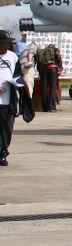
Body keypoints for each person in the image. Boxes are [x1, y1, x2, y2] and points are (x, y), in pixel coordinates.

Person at [0, 29, 21, 166]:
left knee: (7, 128)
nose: (6, 45)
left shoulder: (13, 56)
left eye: (8, 43)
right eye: (3, 43)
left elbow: (18, 74)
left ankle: (2, 153)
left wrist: (17, 83)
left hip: (8, 100)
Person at [36, 40, 61, 112]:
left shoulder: (41, 51)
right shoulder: (55, 49)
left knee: (44, 88)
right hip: (53, 69)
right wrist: (60, 68)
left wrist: (40, 71)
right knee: (53, 88)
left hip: (43, 70)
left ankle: (45, 107)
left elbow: (39, 61)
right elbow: (58, 58)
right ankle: (52, 107)